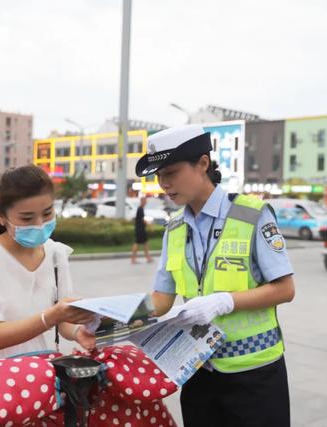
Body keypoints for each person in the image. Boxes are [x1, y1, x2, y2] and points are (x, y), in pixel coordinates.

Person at [135, 124, 295, 427]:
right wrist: (110, 321)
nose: (164, 184)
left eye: (170, 173)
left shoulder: (252, 214)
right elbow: (161, 299)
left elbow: (285, 288)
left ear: (203, 164)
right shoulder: (175, 227)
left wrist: (225, 301)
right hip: (197, 369)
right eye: (159, 177)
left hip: (254, 373)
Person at [0, 165, 97, 364]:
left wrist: (78, 331)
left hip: (35, 370)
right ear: (1, 216)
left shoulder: (56, 254)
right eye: (27, 218)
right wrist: (51, 317)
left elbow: (63, 321)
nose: (39, 224)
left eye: (47, 213)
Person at [130, 196, 153, 264]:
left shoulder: (141, 209)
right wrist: (149, 225)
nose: (146, 202)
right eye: (145, 201)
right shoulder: (140, 209)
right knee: (137, 243)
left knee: (145, 243)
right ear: (142, 201)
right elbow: (142, 220)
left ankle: (148, 258)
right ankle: (133, 259)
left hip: (140, 229)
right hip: (140, 230)